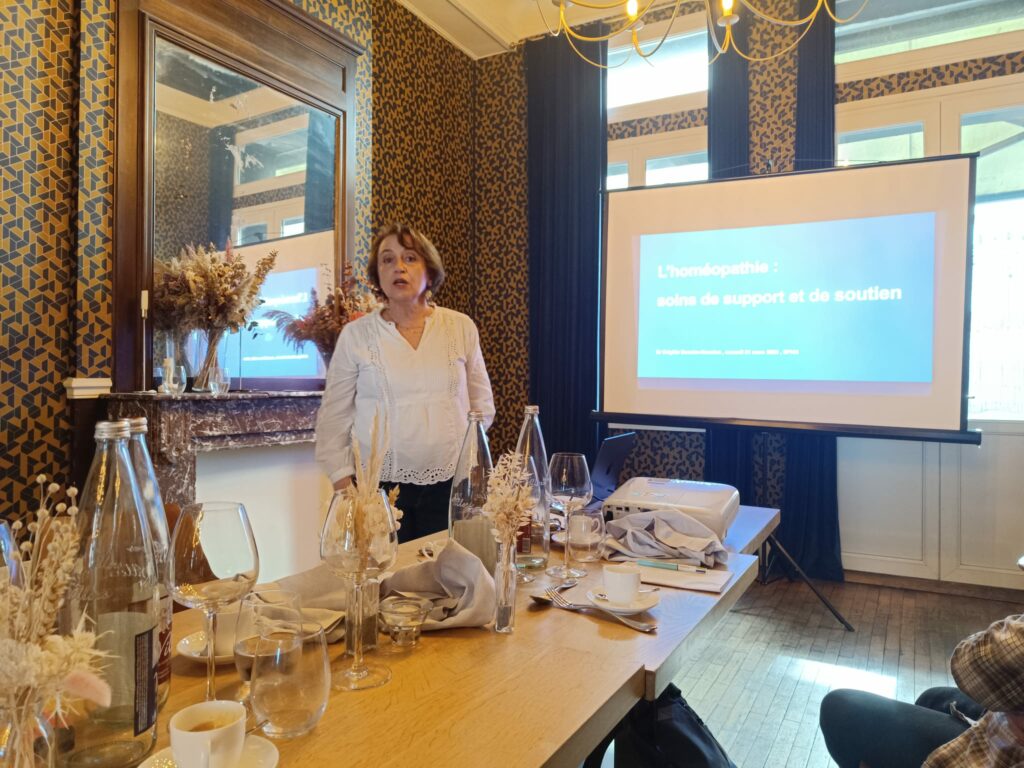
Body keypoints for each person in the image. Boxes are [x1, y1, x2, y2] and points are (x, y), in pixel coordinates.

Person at [315, 224, 495, 542]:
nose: (398, 267)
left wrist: (474, 471)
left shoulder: (460, 327)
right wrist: (348, 492)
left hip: (453, 487)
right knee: (389, 573)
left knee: (450, 571)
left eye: (410, 258)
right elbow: (333, 422)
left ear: (429, 269)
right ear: (378, 274)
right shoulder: (356, 336)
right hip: (378, 493)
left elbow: (482, 408)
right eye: (387, 259)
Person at [819, 613, 1024, 767]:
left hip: (1008, 753)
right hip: (999, 721)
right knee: (932, 698)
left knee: (839, 708)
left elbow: (969, 660)